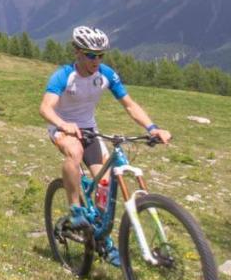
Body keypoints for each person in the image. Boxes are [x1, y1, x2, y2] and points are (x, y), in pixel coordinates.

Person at [39, 26, 172, 265]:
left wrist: (153, 128)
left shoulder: (106, 75)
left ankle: (102, 239)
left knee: (105, 182)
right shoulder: (63, 76)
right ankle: (75, 210)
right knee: (75, 152)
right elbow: (45, 108)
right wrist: (63, 124)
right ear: (77, 52)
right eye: (91, 55)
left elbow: (130, 105)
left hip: (89, 129)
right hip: (62, 127)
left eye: (101, 55)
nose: (96, 61)